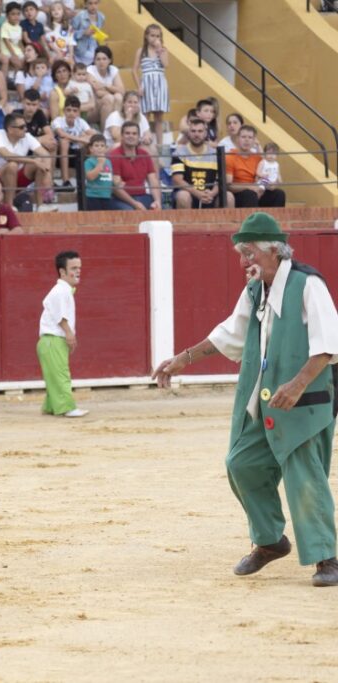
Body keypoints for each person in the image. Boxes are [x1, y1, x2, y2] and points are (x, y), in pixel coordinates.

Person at [152, 213, 338, 588]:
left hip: (306, 401)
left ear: (274, 251)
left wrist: (299, 384)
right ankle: (270, 541)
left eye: (248, 253)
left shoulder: (307, 284)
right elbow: (228, 336)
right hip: (267, 401)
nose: (243, 262)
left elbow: (330, 343)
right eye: (240, 254)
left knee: (304, 476)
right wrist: (181, 359)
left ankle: (327, 558)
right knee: (241, 463)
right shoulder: (255, 290)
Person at [37, 250, 87, 418]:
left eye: (79, 267)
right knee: (60, 375)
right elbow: (61, 317)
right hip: (53, 340)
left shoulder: (62, 290)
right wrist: (69, 334)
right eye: (73, 268)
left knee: (54, 375)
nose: (78, 271)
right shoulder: (61, 291)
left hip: (50, 341)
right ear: (62, 272)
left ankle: (51, 407)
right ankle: (66, 407)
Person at [0, 112, 53, 208]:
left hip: (16, 177)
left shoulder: (27, 136)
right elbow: (7, 156)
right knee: (12, 164)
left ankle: (41, 206)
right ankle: (10, 206)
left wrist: (47, 173)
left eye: (25, 126)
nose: (25, 129)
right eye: (21, 127)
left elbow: (45, 154)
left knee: (40, 162)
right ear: (10, 129)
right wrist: (34, 161)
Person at [171, 117, 233, 209]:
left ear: (205, 133)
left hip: (211, 195)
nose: (196, 134)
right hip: (189, 194)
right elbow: (177, 180)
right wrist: (198, 193)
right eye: (193, 131)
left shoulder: (216, 154)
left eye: (200, 131)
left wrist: (212, 193)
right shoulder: (179, 153)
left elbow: (221, 179)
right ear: (188, 133)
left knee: (228, 197)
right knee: (183, 196)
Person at [226, 125, 286, 209]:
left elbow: (265, 178)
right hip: (240, 193)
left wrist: (272, 185)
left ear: (254, 140)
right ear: (237, 139)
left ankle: (274, 221)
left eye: (250, 137)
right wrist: (250, 187)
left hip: (258, 191)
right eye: (243, 137)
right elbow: (229, 186)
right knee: (250, 194)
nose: (247, 140)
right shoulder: (230, 157)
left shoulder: (258, 158)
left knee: (279, 194)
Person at [132, 23, 169, 155]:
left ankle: (160, 145)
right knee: (145, 115)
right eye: (152, 35)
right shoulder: (141, 51)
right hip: (147, 82)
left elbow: (165, 64)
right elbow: (134, 70)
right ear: (146, 36)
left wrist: (160, 50)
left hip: (160, 83)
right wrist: (138, 86)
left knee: (159, 117)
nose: (155, 38)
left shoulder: (163, 50)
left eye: (157, 36)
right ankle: (146, 142)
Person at [109, 121, 162, 210]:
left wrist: (157, 201)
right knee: (130, 211)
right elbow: (115, 188)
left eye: (134, 134)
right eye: (127, 133)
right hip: (121, 199)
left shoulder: (144, 154)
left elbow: (153, 180)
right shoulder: (114, 155)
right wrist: (135, 204)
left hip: (142, 196)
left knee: (159, 204)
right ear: (121, 136)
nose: (131, 136)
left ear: (138, 137)